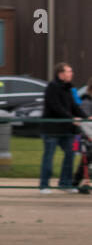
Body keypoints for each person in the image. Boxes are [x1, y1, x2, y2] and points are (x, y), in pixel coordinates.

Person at [39, 62, 87, 193]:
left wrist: (86, 117)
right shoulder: (52, 87)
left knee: (70, 154)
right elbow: (55, 106)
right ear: (60, 74)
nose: (71, 73)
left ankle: (65, 183)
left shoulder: (69, 88)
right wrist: (70, 118)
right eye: (68, 71)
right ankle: (44, 185)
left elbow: (74, 106)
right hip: (51, 129)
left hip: (66, 129)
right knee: (49, 156)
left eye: (71, 71)